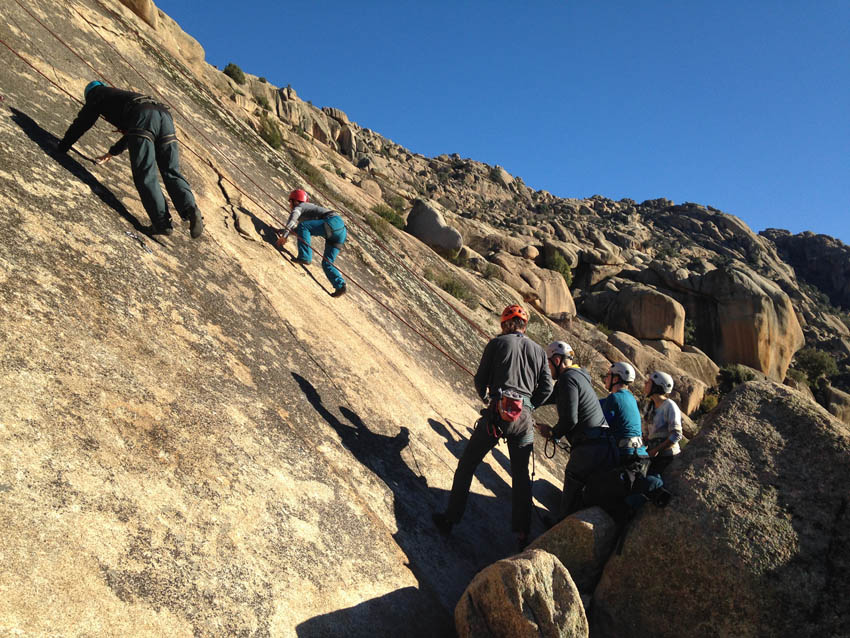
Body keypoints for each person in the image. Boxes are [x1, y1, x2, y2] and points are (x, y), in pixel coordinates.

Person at [432, 304, 553, 551]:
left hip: (496, 416)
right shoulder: (539, 352)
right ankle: (522, 534)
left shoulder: (497, 344)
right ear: (524, 326)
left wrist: (487, 399)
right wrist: (529, 406)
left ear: (506, 324)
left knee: (467, 464)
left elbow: (480, 380)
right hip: (524, 421)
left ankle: (450, 519)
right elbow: (547, 388)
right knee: (520, 477)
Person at [56, 81, 203, 238]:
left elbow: (82, 123)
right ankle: (190, 209)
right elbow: (133, 133)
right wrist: (112, 153)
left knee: (145, 172)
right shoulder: (120, 95)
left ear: (89, 93)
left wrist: (62, 147)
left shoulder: (97, 95)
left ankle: (162, 222)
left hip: (143, 116)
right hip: (164, 116)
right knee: (171, 170)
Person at [535, 341, 618, 521]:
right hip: (602, 444)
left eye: (548, 364)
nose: (547, 369)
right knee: (583, 490)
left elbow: (569, 420)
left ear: (557, 360)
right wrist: (525, 403)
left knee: (573, 481)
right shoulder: (578, 375)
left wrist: (552, 433)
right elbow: (548, 398)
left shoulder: (567, 379)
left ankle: (558, 529)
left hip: (590, 446)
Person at [275, 189, 347, 297]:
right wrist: (281, 231)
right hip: (341, 232)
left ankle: (305, 256)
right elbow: (300, 231)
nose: (289, 205)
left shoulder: (300, 207)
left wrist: (284, 236)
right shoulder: (309, 210)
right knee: (327, 262)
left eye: (290, 201)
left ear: (295, 201)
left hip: (333, 223)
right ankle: (340, 286)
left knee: (303, 226)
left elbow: (293, 221)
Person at [600, 362, 647, 463]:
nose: (606, 378)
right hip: (639, 453)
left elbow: (603, 424)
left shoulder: (614, 397)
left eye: (608, 375)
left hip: (625, 454)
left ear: (615, 379)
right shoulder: (631, 398)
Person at [643, 370, 683, 476]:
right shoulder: (649, 406)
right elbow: (647, 434)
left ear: (657, 387)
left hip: (668, 457)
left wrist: (656, 450)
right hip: (653, 455)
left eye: (649, 382)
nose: (645, 384)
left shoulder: (669, 406)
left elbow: (676, 434)